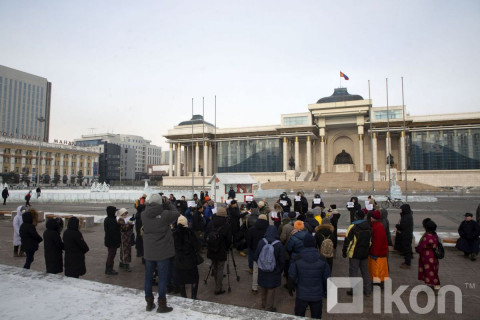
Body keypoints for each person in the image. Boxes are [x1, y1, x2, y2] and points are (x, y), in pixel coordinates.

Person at [142, 194, 179, 313]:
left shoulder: (143, 215)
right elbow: (176, 212)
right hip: (163, 251)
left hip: (149, 251)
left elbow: (147, 209)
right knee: (162, 278)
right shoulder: (165, 215)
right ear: (160, 203)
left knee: (148, 278)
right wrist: (168, 203)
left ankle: (149, 303)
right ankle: (162, 305)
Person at [288, 233, 331, 319]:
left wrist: (291, 287)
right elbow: (326, 277)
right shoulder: (322, 258)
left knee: (299, 316)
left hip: (302, 294)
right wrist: (326, 290)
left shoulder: (297, 257)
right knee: (316, 316)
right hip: (317, 294)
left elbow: (292, 275)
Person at [254, 225, 285, 312]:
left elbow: (256, 255)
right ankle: (269, 307)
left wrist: (261, 264)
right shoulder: (278, 244)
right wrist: (279, 270)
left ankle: (263, 304)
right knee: (271, 289)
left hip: (262, 269)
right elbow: (282, 259)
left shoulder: (261, 242)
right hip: (274, 270)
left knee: (263, 287)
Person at [342, 210, 372, 296]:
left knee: (354, 272)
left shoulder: (353, 227)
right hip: (365, 252)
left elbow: (347, 240)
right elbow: (370, 241)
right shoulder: (368, 226)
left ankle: (354, 290)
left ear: (356, 217)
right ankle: (368, 290)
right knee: (365, 271)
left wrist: (344, 252)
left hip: (354, 253)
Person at [205, 206, 232, 295]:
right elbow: (228, 240)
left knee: (215, 267)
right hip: (221, 249)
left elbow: (206, 236)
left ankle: (217, 284)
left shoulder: (210, 223)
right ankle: (218, 288)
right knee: (220, 268)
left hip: (211, 249)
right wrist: (227, 248)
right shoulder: (226, 225)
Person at [172, 215, 201, 299]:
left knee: (181, 280)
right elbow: (197, 245)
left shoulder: (173, 234)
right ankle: (193, 296)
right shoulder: (190, 233)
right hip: (190, 260)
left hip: (179, 260)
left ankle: (183, 297)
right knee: (195, 278)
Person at [416, 218, 440, 293]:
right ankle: (433, 285)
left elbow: (420, 247)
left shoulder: (427, 237)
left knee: (428, 271)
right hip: (434, 256)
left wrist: (417, 249)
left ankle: (434, 286)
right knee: (433, 270)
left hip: (427, 257)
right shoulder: (435, 235)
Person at [246, 213, 269, 292]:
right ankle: (265, 286)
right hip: (265, 251)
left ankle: (254, 287)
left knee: (256, 270)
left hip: (255, 250)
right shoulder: (268, 229)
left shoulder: (252, 229)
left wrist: (251, 248)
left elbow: (248, 241)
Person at [368, 210, 389, 287]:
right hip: (379, 252)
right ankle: (379, 282)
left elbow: (378, 242)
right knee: (379, 269)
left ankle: (378, 283)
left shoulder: (377, 227)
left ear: (373, 218)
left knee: (377, 269)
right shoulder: (377, 225)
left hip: (378, 253)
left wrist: (374, 253)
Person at [394, 204, 414, 269]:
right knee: (407, 248)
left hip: (406, 235)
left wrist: (397, 226)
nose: (401, 210)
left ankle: (408, 263)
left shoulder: (406, 217)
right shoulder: (408, 215)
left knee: (407, 249)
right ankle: (407, 261)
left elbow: (402, 226)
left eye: (402, 209)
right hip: (407, 234)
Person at [104, 206, 121, 275]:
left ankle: (109, 268)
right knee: (111, 255)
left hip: (109, 240)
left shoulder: (108, 219)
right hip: (112, 241)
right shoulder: (111, 220)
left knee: (111, 255)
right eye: (114, 211)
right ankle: (109, 269)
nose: (115, 213)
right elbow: (113, 232)